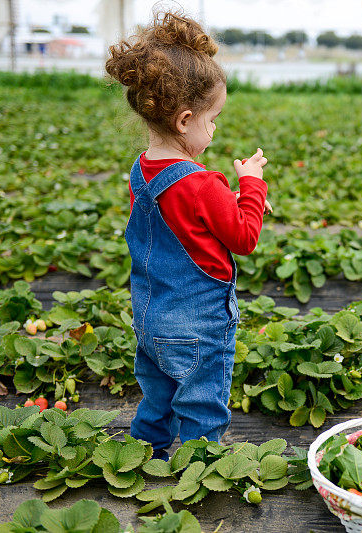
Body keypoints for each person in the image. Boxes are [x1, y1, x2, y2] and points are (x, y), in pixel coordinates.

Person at [105, 11, 271, 460]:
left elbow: (186, 221)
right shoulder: (203, 184)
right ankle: (199, 474)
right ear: (183, 120)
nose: (214, 128)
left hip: (150, 316)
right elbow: (244, 238)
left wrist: (233, 201)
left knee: (158, 399)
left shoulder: (142, 170)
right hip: (198, 325)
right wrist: (251, 186)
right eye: (211, 118)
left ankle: (143, 458)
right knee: (202, 409)